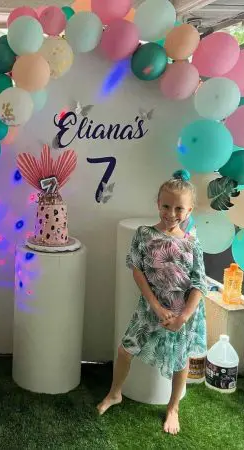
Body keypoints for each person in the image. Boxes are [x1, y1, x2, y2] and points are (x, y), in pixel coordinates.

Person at [97, 169, 207, 435]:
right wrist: (156, 307)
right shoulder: (144, 234)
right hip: (150, 308)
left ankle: (173, 408)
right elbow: (137, 270)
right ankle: (115, 393)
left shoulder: (192, 245)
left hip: (182, 311)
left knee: (180, 362)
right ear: (158, 204)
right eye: (166, 205)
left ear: (189, 210)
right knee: (125, 350)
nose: (171, 213)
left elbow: (199, 284)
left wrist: (182, 317)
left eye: (179, 208)